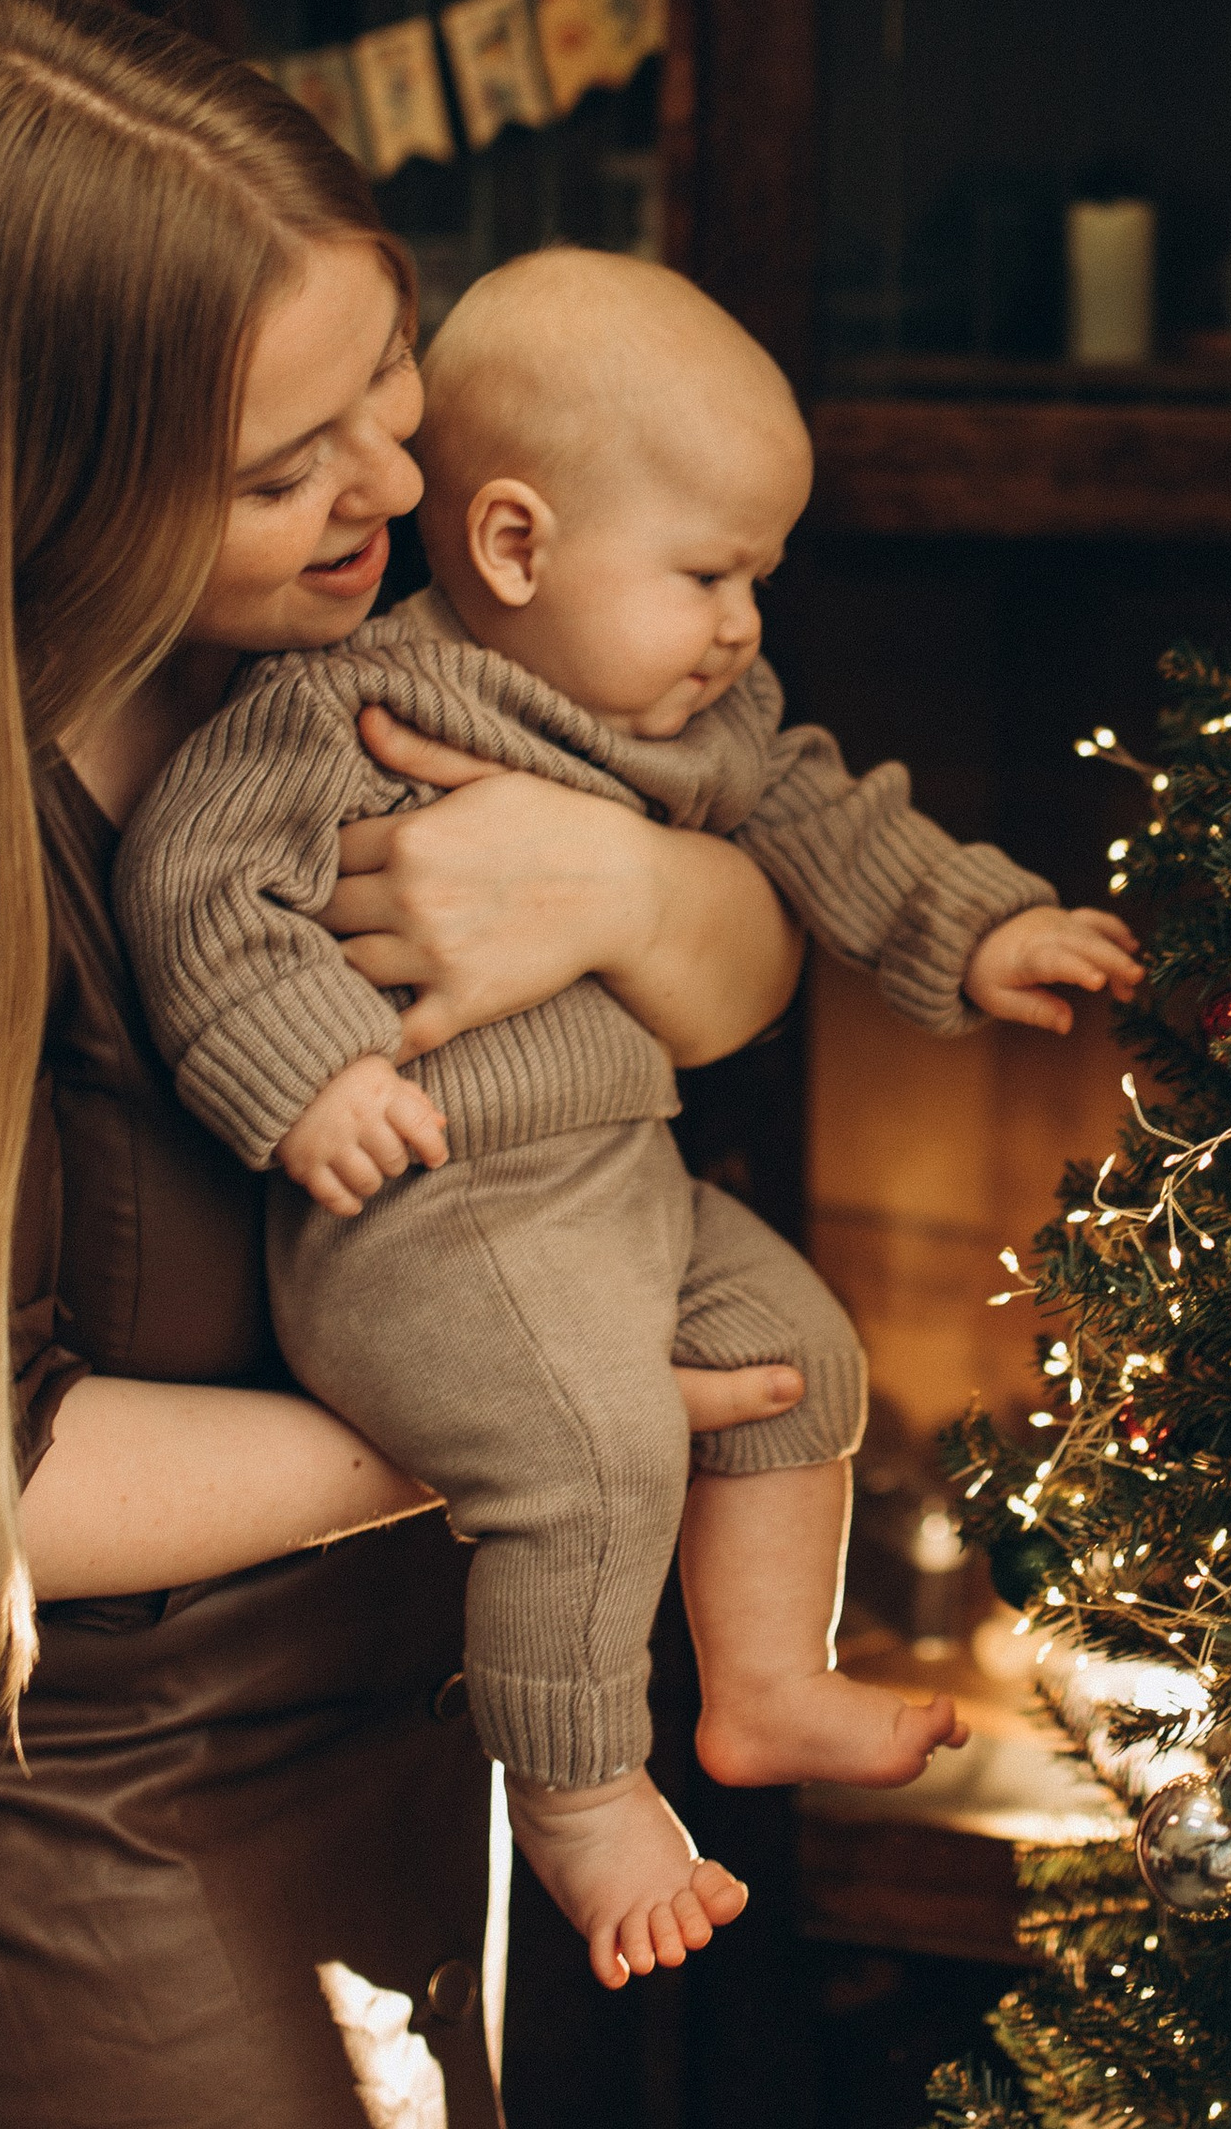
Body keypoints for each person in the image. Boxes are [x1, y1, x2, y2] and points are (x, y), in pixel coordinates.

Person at [0, 0, 811, 2129]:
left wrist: (633, 889)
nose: (394, 481)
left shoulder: (319, 657)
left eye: (388, 382)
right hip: (65, 1828)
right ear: (48, 471)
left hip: (378, 1735)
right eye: (284, 463)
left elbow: (748, 948)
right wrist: (513, 1416)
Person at [116, 249, 1144, 1989]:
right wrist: (312, 1078)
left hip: (617, 1184)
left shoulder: (702, 717)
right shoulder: (344, 703)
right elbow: (200, 883)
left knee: (803, 1358)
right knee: (591, 1457)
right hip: (426, 1216)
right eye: (708, 575)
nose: (744, 626)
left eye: (760, 578)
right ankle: (583, 1792)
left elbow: (828, 822)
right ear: (517, 547)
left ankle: (764, 1685)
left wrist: (980, 932)